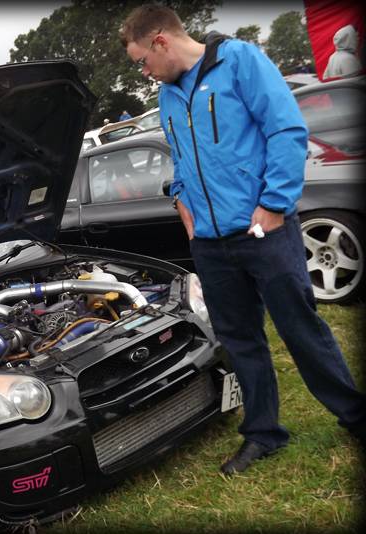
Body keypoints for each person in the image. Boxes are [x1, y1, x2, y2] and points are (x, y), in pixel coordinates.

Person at [120, 4, 365, 475]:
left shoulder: (242, 61)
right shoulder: (169, 96)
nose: (144, 72)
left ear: (161, 41)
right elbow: (185, 159)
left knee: (300, 328)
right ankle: (264, 433)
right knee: (240, 341)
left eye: (141, 61)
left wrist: (274, 205)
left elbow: (286, 130)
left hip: (263, 232)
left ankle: (354, 414)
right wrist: (180, 200)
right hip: (211, 246)